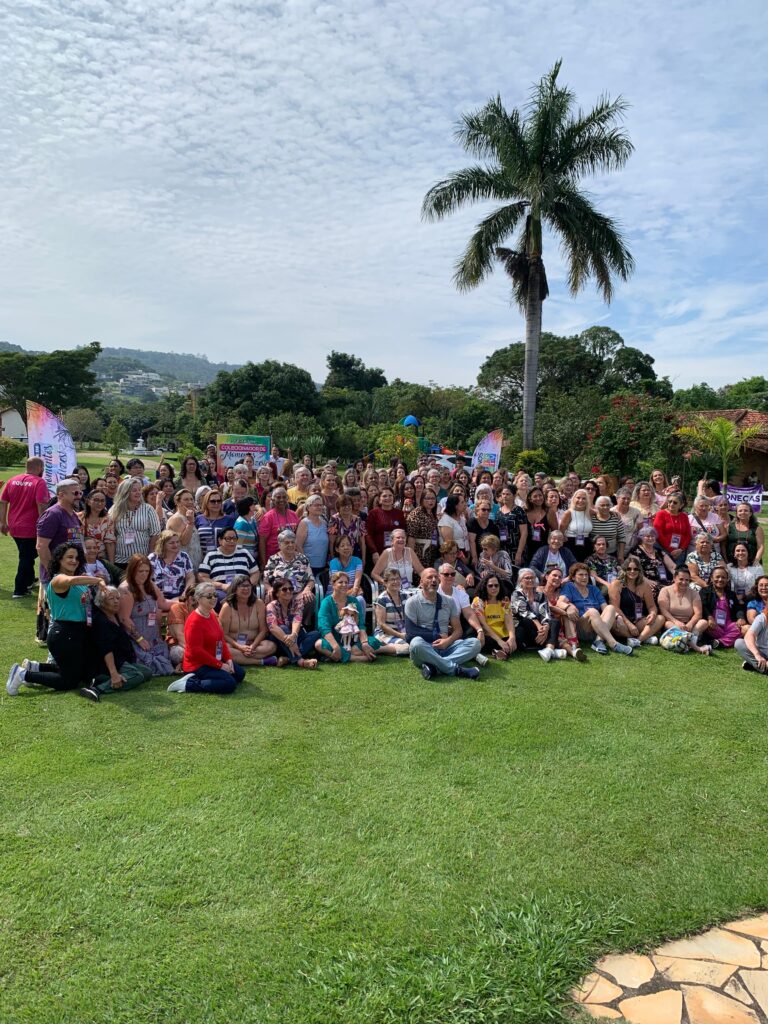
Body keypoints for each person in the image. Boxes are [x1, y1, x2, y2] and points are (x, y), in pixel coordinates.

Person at [7, 543, 106, 695]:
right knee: (69, 681)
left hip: (78, 632)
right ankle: (22, 674)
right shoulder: (58, 580)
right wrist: (97, 580)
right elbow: (70, 581)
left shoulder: (77, 580)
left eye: (77, 558)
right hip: (64, 634)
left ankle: (36, 667)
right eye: (69, 557)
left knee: (78, 672)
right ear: (59, 559)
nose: (74, 561)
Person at [77, 586, 153, 702]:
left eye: (117, 598)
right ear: (101, 602)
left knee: (147, 672)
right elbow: (106, 649)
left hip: (120, 660)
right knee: (137, 676)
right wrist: (114, 673)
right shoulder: (101, 621)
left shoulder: (114, 615)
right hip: (104, 663)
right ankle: (97, 689)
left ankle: (101, 680)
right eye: (111, 599)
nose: (116, 601)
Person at [167, 583, 246, 694]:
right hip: (197, 665)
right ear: (198, 599)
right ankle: (188, 684)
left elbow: (221, 640)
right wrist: (220, 665)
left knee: (240, 674)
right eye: (209, 596)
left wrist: (228, 659)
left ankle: (209, 677)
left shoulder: (211, 615)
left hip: (212, 659)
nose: (214, 598)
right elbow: (197, 652)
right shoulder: (194, 621)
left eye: (215, 595)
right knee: (229, 683)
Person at [404, 567, 481, 680]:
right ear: (421, 582)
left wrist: (447, 641)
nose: (433, 580)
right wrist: (437, 636)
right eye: (429, 577)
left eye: (436, 577)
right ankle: (456, 669)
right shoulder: (412, 602)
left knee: (475, 643)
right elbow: (410, 633)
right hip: (425, 647)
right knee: (416, 643)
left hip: (446, 646)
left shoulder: (449, 601)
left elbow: (458, 630)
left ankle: (435, 667)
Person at [0, 456, 51, 598]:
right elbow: (42, 505)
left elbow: (3, 501)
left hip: (14, 526)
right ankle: (19, 589)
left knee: (27, 554)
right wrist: (45, 525)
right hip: (31, 527)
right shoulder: (39, 482)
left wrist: (2, 522)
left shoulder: (12, 480)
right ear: (40, 468)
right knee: (27, 557)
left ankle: (29, 580)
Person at [560, 563, 634, 656]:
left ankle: (598, 641)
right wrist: (568, 607)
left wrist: (618, 616)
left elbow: (605, 607)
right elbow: (560, 602)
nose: (584, 577)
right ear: (573, 577)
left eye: (586, 575)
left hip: (597, 627)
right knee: (593, 611)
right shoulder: (569, 587)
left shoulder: (593, 589)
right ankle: (613, 643)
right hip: (581, 626)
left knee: (610, 608)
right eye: (581, 575)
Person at [118, 554, 174, 675]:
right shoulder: (126, 590)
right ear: (132, 571)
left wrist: (183, 603)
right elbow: (124, 619)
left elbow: (163, 604)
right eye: (140, 571)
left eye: (147, 571)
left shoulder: (150, 584)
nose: (144, 574)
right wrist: (139, 639)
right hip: (136, 636)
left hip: (153, 634)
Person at [315, 572, 382, 663]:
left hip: (353, 641)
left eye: (346, 582)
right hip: (334, 640)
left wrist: (364, 643)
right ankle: (358, 658)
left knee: (371, 641)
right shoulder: (326, 602)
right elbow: (324, 628)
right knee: (319, 644)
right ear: (333, 584)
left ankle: (341, 656)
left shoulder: (353, 600)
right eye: (340, 582)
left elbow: (361, 625)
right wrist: (335, 646)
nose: (344, 585)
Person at [218, 576, 278, 666]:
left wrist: (252, 646)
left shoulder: (259, 603)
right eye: (242, 586)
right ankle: (261, 661)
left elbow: (263, 630)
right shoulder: (227, 607)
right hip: (234, 644)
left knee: (271, 646)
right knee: (223, 649)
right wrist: (240, 647)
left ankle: (240, 658)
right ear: (234, 589)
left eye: (248, 586)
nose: (246, 588)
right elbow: (224, 634)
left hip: (254, 644)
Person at [35, 478, 84, 583]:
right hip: (57, 578)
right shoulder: (53, 515)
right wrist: (54, 574)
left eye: (80, 493)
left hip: (72, 575)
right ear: (61, 495)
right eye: (75, 493)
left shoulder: (74, 514)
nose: (79, 497)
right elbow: (41, 546)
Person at [607, 556, 664, 646]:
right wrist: (629, 624)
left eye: (635, 569)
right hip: (623, 620)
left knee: (660, 618)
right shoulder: (616, 584)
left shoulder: (644, 585)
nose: (632, 571)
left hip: (638, 620)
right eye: (629, 569)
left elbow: (651, 606)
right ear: (624, 570)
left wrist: (652, 614)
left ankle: (638, 640)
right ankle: (644, 636)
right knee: (615, 623)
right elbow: (615, 608)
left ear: (639, 570)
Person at [510, 567, 564, 661]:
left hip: (538, 631)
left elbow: (545, 612)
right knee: (526, 620)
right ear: (520, 581)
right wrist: (539, 626)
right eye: (527, 578)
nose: (530, 580)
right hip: (524, 628)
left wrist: (546, 627)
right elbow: (524, 612)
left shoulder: (540, 595)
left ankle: (549, 649)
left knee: (554, 621)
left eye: (532, 578)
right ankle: (552, 649)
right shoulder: (516, 594)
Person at [108, 477, 162, 570]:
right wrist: (111, 562)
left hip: (142, 559)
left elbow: (155, 534)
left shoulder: (148, 509)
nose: (138, 493)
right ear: (125, 492)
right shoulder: (115, 509)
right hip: (120, 560)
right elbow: (110, 536)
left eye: (139, 490)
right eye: (134, 490)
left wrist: (150, 556)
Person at [657, 566, 712, 655]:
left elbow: (698, 614)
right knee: (668, 624)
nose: (684, 582)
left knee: (703, 622)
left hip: (689, 625)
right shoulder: (665, 590)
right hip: (672, 623)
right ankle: (696, 647)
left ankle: (687, 641)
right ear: (674, 578)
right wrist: (676, 622)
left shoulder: (694, 593)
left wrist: (690, 623)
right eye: (681, 579)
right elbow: (664, 611)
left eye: (687, 580)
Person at [265, 578, 319, 668]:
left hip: (293, 637)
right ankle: (300, 661)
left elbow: (297, 620)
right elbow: (273, 627)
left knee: (316, 634)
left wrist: (293, 635)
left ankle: (288, 658)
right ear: (277, 593)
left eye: (291, 589)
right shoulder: (271, 606)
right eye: (284, 589)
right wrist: (292, 643)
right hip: (278, 639)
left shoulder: (297, 604)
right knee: (283, 628)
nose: (288, 591)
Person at [199, 527, 260, 599]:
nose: (232, 541)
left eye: (234, 538)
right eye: (228, 539)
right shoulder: (211, 555)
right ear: (220, 540)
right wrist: (221, 586)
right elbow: (202, 577)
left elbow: (256, 573)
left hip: (244, 591)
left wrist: (246, 586)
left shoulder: (244, 553)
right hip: (221, 591)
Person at [699, 566, 747, 648]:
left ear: (727, 579)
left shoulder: (731, 594)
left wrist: (740, 618)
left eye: (723, 577)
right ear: (711, 578)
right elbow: (703, 606)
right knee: (706, 626)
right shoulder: (705, 591)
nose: (720, 579)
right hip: (713, 625)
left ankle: (719, 642)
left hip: (728, 625)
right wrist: (709, 617)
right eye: (717, 577)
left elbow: (738, 608)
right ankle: (728, 639)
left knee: (744, 628)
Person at [471, 575, 516, 660]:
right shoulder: (478, 601)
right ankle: (502, 650)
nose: (494, 588)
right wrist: (499, 641)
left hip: (503, 633)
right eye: (490, 586)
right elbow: (483, 624)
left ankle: (500, 650)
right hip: (488, 634)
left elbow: (509, 621)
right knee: (484, 641)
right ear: (485, 587)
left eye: (496, 585)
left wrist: (512, 637)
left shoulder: (504, 599)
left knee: (519, 634)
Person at [372, 567, 411, 654]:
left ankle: (390, 647)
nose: (396, 582)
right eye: (392, 579)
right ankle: (378, 649)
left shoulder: (406, 596)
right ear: (385, 583)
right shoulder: (382, 599)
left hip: (402, 632)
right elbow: (382, 625)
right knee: (408, 646)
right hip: (385, 633)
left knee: (418, 642)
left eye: (398, 579)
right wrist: (400, 635)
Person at [258, 487, 300, 566]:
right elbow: (262, 541)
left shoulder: (293, 514)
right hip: (273, 560)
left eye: (284, 497)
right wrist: (263, 563)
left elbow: (298, 537)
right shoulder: (268, 517)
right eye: (278, 497)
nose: (281, 500)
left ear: (287, 499)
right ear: (273, 500)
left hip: (291, 558)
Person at [365, 487, 407, 566]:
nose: (387, 498)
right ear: (379, 499)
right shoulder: (373, 513)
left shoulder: (399, 513)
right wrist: (374, 551)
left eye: (390, 495)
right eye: (384, 496)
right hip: (379, 553)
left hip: (396, 552)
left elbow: (403, 533)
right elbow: (368, 534)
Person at [149, 530, 195, 600]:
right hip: (157, 598)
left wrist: (184, 594)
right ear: (163, 544)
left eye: (177, 542)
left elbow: (190, 577)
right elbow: (148, 580)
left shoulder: (184, 556)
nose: (176, 545)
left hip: (179, 597)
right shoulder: (153, 558)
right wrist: (158, 596)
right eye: (171, 543)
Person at [629, 526, 676, 595]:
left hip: (665, 581)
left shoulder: (659, 551)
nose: (650, 538)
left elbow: (672, 567)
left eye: (652, 536)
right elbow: (634, 569)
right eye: (647, 536)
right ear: (641, 537)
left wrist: (677, 577)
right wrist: (646, 580)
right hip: (648, 583)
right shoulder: (635, 551)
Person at [295, 495, 330, 577]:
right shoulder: (304, 523)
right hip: (308, 567)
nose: (319, 507)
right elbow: (298, 545)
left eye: (321, 505)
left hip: (322, 566)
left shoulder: (324, 523)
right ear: (308, 507)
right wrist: (305, 564)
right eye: (316, 505)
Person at [653, 492, 691, 566]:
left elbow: (688, 535)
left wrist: (681, 549)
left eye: (675, 502)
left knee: (679, 571)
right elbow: (658, 533)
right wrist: (670, 549)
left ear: (681, 505)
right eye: (670, 501)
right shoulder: (661, 514)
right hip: (664, 550)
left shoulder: (684, 516)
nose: (671, 504)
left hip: (680, 552)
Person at [195, 489, 235, 559]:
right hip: (203, 559)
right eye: (213, 501)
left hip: (223, 559)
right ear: (206, 503)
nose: (216, 503)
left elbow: (233, 540)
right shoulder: (198, 519)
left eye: (219, 501)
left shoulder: (229, 519)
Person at [406, 488, 440, 569]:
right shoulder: (416, 514)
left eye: (433, 498)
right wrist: (412, 560)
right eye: (427, 498)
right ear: (422, 500)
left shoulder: (432, 513)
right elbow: (411, 538)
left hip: (432, 552)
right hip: (420, 553)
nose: (431, 501)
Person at [523, 486, 557, 564]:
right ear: (530, 499)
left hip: (543, 549)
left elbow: (555, 532)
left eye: (540, 495)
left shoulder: (549, 512)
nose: (538, 498)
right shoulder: (524, 512)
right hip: (527, 549)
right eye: (535, 496)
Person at [329, 493, 367, 562]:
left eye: (349, 505)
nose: (347, 507)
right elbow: (332, 542)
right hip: (339, 556)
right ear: (338, 507)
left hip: (355, 554)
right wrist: (333, 559)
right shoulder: (334, 520)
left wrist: (363, 560)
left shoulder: (358, 520)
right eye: (344, 505)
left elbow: (362, 542)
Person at [166, 584, 196, 668]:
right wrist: (196, 652)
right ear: (191, 599)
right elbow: (180, 636)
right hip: (180, 645)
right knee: (180, 653)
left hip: (198, 645)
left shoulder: (207, 608)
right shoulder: (177, 608)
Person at [735, 598, 768, 673]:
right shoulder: (762, 618)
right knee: (739, 643)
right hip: (761, 653)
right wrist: (757, 655)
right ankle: (762, 665)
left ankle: (758, 666)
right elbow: (749, 636)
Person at [560, 490, 594, 559]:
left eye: (584, 498)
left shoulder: (590, 512)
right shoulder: (568, 513)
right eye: (578, 498)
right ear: (573, 499)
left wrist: (612, 512)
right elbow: (561, 531)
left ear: (587, 500)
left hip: (586, 544)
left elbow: (601, 512)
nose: (580, 500)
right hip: (571, 544)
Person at [467, 498, 500, 568]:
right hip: (477, 557)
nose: (486, 512)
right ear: (477, 510)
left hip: (491, 558)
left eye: (488, 510)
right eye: (483, 509)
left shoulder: (492, 524)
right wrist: (474, 557)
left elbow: (496, 544)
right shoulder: (472, 522)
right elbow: (472, 541)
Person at [437, 493, 470, 563]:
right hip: (454, 557)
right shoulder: (446, 521)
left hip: (464, 553)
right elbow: (450, 545)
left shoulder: (462, 518)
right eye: (462, 502)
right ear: (455, 506)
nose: (465, 504)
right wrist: (463, 559)